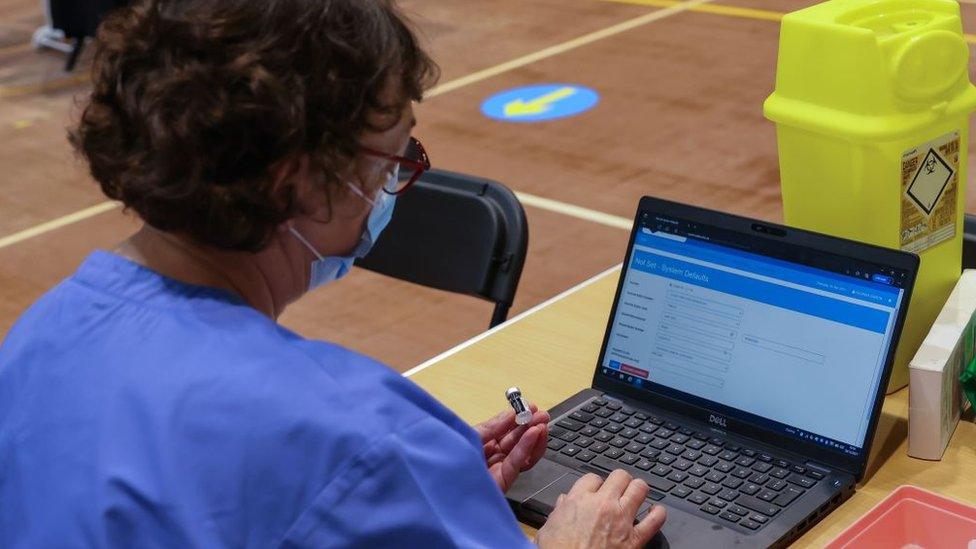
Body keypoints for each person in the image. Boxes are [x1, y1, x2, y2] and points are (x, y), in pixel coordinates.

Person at [0, 0, 667, 547]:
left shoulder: (38, 338)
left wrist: (433, 503)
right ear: (305, 179)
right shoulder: (354, 436)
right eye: (390, 163)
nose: (394, 185)